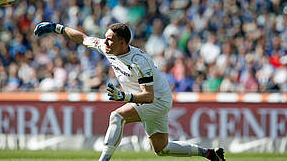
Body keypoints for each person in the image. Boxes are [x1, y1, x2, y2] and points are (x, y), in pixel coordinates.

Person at [34, 22, 226, 161]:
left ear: (124, 43)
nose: (105, 43)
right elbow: (83, 38)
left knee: (117, 116)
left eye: (110, 40)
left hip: (156, 100)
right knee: (162, 149)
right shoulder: (108, 47)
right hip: (148, 99)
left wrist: (124, 97)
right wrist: (56, 27)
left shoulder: (139, 62)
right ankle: (208, 153)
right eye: (106, 39)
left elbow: (148, 96)